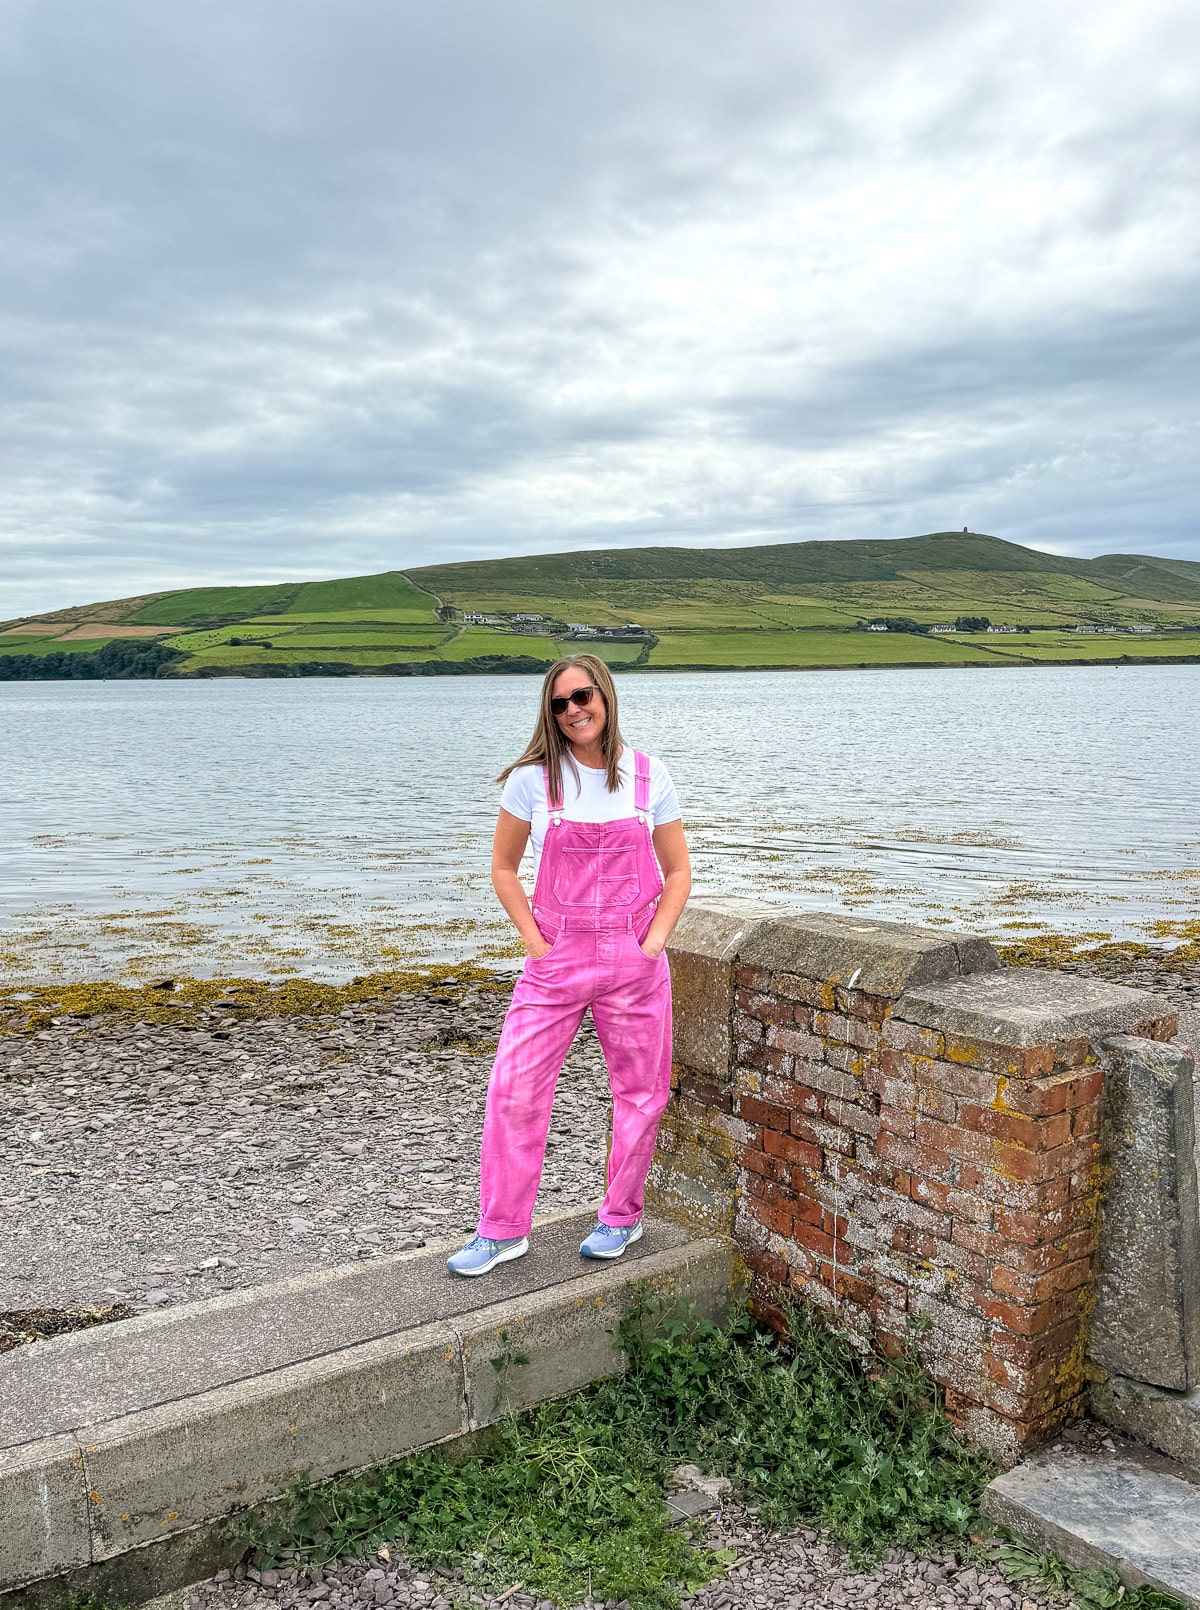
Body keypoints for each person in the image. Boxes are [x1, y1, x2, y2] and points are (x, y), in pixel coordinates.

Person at [447, 654, 691, 1276]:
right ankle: (502, 1230)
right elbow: (504, 871)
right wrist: (536, 943)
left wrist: (653, 943)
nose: (573, 710)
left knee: (641, 1093)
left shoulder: (648, 775)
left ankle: (621, 1217)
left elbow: (678, 871)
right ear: (549, 714)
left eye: (581, 696)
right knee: (514, 1088)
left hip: (634, 962)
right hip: (556, 959)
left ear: (605, 696)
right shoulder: (532, 781)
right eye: (559, 703)